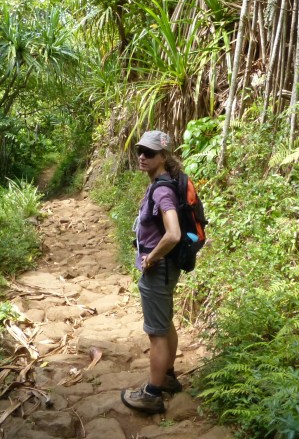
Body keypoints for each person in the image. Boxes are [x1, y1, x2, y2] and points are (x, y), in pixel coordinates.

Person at [121, 130, 184, 414]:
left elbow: (173, 234)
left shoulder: (162, 190)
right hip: (166, 270)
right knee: (165, 322)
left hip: (159, 270)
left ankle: (152, 393)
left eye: (150, 153)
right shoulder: (162, 183)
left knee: (156, 333)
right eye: (140, 151)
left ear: (163, 156)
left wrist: (151, 259)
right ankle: (168, 376)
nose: (143, 157)